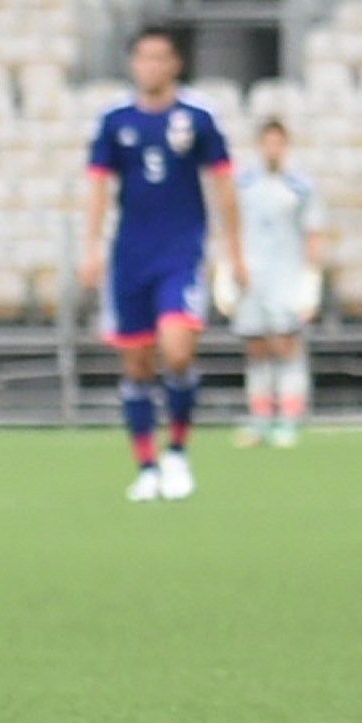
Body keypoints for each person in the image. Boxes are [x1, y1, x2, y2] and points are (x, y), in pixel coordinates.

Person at [79, 28, 242, 504]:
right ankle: (147, 465)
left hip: (181, 250)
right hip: (130, 253)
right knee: (137, 364)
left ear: (175, 64)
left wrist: (236, 251)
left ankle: (178, 453)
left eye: (159, 57)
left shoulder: (198, 117)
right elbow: (99, 188)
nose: (150, 66)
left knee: (177, 351)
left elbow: (224, 184)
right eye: (142, 57)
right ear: (133, 64)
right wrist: (91, 248)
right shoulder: (114, 120)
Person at [232, 118, 331, 448]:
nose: (273, 149)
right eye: (268, 142)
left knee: (287, 344)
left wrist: (310, 277)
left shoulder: (300, 186)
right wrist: (229, 265)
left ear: (285, 146)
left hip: (287, 275)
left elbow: (314, 232)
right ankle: (260, 420)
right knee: (257, 346)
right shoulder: (243, 183)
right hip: (251, 276)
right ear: (260, 145)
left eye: (278, 143)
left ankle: (288, 420)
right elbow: (230, 226)